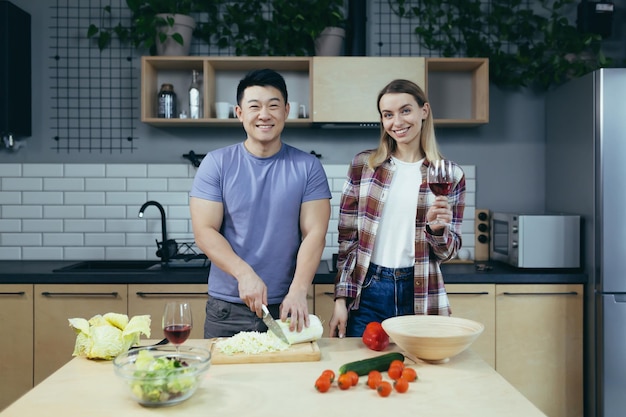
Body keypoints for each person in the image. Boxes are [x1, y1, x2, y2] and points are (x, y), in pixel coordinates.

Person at [189, 68, 331, 338]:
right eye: (254, 106)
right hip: (228, 307)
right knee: (222, 381)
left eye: (273, 106)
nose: (264, 114)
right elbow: (204, 231)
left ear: (286, 111)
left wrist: (299, 290)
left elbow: (315, 233)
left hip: (288, 306)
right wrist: (244, 273)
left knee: (286, 381)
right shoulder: (216, 163)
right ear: (239, 113)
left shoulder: (308, 167)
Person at [329, 79, 466, 338]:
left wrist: (437, 231)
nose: (397, 122)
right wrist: (340, 300)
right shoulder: (363, 166)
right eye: (388, 115)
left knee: (420, 376)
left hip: (420, 291)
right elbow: (348, 241)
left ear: (423, 111)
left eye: (405, 110)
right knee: (363, 371)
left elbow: (448, 253)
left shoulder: (449, 175)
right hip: (368, 290)